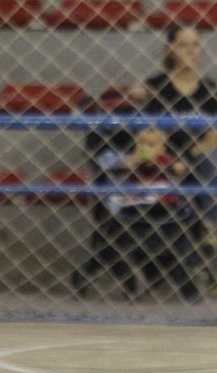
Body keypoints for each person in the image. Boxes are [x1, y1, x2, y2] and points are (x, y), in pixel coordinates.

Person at [73, 125, 207, 303]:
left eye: (152, 145)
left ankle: (188, 288)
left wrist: (169, 165)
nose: (146, 148)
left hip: (163, 211)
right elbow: (119, 169)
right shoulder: (131, 161)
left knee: (177, 242)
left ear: (162, 147)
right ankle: (125, 283)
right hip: (133, 211)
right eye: (142, 143)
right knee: (110, 241)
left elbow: (180, 169)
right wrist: (134, 161)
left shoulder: (166, 160)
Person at [137, 25, 217, 235]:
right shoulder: (155, 86)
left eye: (195, 45)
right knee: (146, 157)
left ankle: (206, 230)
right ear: (170, 50)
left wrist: (187, 159)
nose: (190, 51)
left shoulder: (210, 88)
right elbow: (149, 133)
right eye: (183, 45)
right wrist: (170, 160)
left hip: (196, 156)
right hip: (161, 155)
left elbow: (213, 137)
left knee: (212, 160)